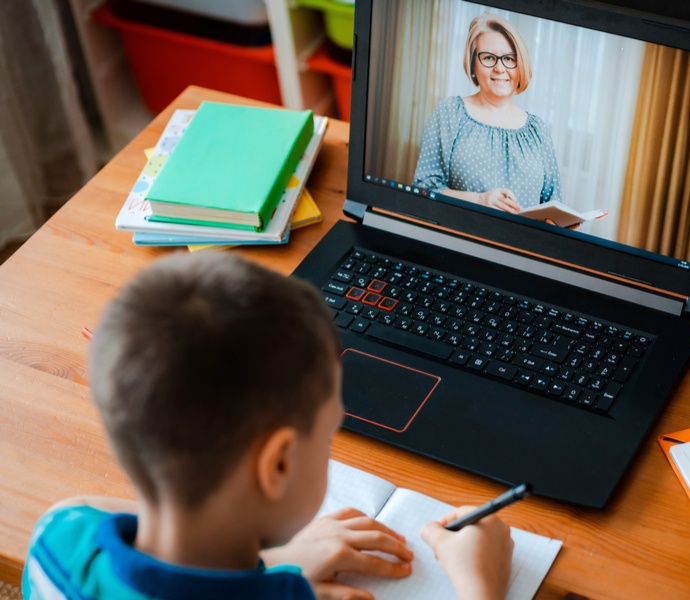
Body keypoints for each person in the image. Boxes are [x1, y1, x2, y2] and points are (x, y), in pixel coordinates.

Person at [22, 253, 513, 600]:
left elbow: (80, 505)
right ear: (277, 464)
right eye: (327, 436)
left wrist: (280, 560)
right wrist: (481, 586)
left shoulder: (58, 540)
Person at [413, 13, 562, 213]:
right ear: (473, 64)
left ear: (521, 66)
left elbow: (553, 202)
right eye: (489, 58)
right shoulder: (449, 113)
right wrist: (479, 199)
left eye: (509, 58)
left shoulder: (538, 130)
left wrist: (560, 221)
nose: (499, 68)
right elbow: (423, 189)